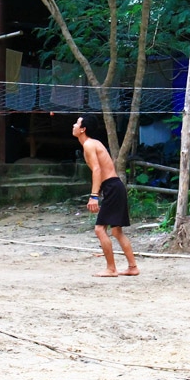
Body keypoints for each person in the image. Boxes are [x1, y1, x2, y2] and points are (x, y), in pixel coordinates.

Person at [72, 115, 139, 277]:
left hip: (113, 187)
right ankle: (132, 267)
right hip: (113, 187)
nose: (73, 125)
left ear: (83, 129)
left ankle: (111, 269)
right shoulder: (93, 144)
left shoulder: (89, 144)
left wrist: (94, 196)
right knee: (116, 231)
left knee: (100, 229)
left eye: (77, 123)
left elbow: (97, 170)